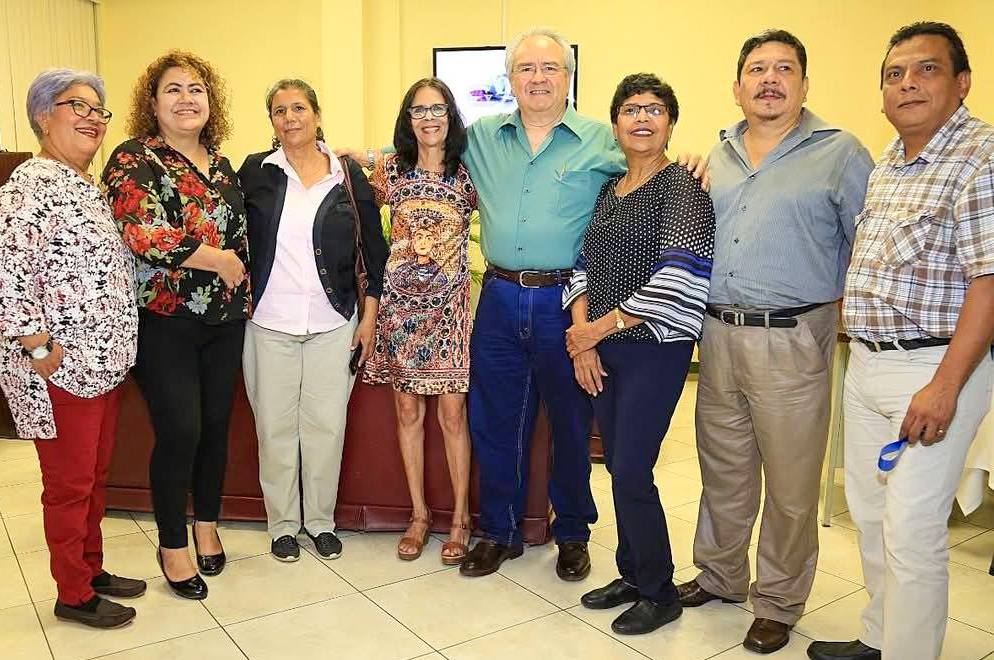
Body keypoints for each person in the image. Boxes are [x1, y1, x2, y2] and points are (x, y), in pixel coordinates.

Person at [347, 27, 705, 581]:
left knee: (570, 423)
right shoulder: (482, 137)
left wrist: (696, 161)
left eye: (550, 68)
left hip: (565, 301)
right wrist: (358, 155)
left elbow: (649, 158)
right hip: (498, 296)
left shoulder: (600, 140)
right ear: (510, 79)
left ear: (568, 78)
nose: (538, 78)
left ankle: (572, 533)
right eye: (526, 69)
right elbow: (424, 148)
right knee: (496, 421)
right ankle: (499, 530)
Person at [675, 29, 874, 654]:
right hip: (717, 334)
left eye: (783, 69)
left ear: (804, 85)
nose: (769, 79)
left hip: (793, 338)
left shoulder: (840, 152)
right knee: (723, 469)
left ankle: (779, 601)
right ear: (737, 88)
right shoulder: (716, 155)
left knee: (791, 484)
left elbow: (868, 245)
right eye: (757, 69)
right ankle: (721, 575)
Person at [808, 22, 994, 660]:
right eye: (895, 74)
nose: (908, 84)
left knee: (912, 530)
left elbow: (989, 281)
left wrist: (945, 386)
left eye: (926, 69)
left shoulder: (980, 158)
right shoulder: (890, 160)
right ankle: (880, 637)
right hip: (866, 363)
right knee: (870, 514)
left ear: (962, 82)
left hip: (935, 367)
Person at [566, 74, 714, 635]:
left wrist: (597, 330)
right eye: (631, 109)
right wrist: (582, 335)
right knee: (618, 466)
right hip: (604, 348)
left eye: (655, 109)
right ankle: (631, 574)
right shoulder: (610, 189)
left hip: (655, 349)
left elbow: (678, 277)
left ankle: (659, 590)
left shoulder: (683, 187)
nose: (643, 118)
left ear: (670, 123)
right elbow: (584, 265)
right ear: (615, 125)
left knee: (631, 468)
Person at [102, 50, 250, 600]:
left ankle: (206, 524)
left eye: (196, 89)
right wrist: (218, 260)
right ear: (153, 102)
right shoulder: (134, 157)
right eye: (173, 89)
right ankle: (171, 545)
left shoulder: (222, 164)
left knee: (214, 428)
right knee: (181, 430)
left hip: (225, 320)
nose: (187, 99)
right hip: (164, 321)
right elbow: (142, 233)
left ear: (211, 102)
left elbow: (243, 235)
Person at [0, 69, 143, 628]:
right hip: (60, 369)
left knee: (94, 479)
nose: (92, 118)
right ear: (43, 117)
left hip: (103, 363)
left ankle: (90, 567)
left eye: (98, 110)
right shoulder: (28, 187)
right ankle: (73, 593)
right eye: (75, 105)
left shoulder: (86, 185)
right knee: (68, 487)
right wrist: (39, 349)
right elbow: (9, 274)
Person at [238, 79, 387, 563]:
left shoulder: (347, 174)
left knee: (326, 429)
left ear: (317, 115)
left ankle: (320, 522)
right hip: (268, 323)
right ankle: (282, 525)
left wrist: (368, 318)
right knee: (275, 429)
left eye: (299, 108)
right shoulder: (256, 172)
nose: (290, 118)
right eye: (279, 111)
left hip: (334, 322)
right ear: (271, 121)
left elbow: (374, 252)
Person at [362, 78, 475, 563]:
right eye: (419, 110)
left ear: (451, 115)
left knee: (452, 417)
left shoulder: (470, 175)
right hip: (401, 313)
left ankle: (461, 518)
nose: (429, 118)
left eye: (438, 109)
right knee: (407, 414)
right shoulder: (391, 171)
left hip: (450, 314)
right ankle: (419, 515)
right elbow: (350, 199)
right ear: (408, 119)